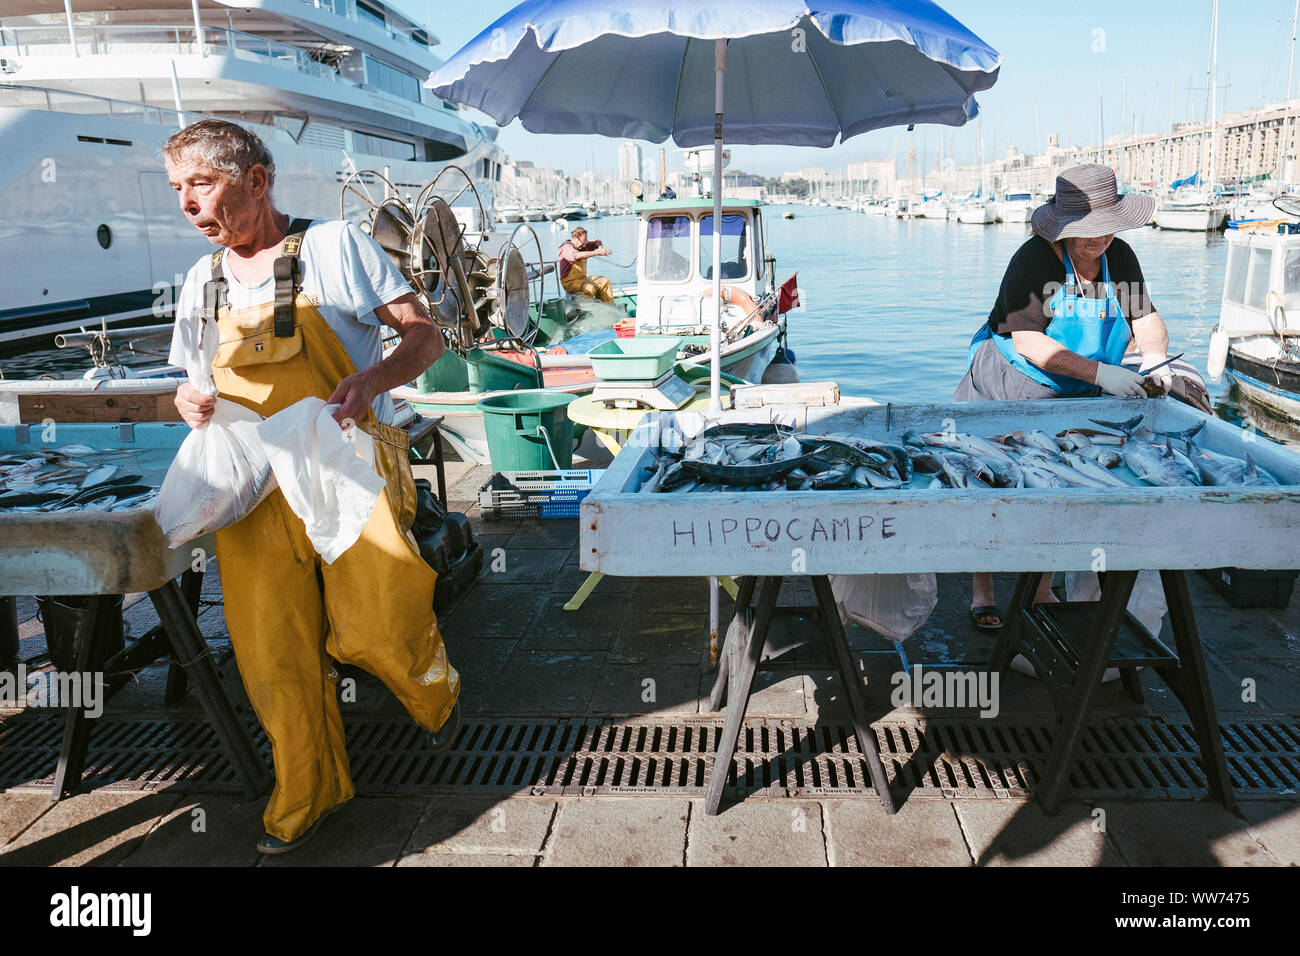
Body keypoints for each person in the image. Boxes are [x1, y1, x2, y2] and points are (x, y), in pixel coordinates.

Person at [164, 119, 460, 853]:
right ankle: (308, 790)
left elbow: (425, 336)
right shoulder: (201, 282)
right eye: (177, 189)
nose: (188, 204)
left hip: (345, 473)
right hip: (251, 497)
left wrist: (373, 378)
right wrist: (189, 402)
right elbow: (190, 384)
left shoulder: (333, 247)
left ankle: (436, 691)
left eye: (201, 184)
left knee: (375, 627)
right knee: (273, 653)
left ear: (257, 181)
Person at [953, 163, 1169, 631]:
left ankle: (1040, 582)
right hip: (1011, 379)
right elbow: (1030, 341)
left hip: (1081, 385)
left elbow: (1145, 318)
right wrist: (1104, 375)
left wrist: (1153, 357)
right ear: (1063, 227)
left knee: (1059, 480)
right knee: (989, 478)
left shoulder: (1121, 260)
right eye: (1087, 231)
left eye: (1105, 229)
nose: (1098, 240)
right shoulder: (1036, 261)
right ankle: (983, 588)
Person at [558, 226, 615, 302]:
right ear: (575, 239)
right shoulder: (567, 247)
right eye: (583, 241)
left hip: (582, 279)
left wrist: (600, 248)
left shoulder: (583, 245)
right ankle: (587, 311)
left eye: (586, 241)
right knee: (589, 289)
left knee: (604, 282)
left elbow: (597, 242)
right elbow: (576, 256)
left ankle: (609, 308)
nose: (585, 244)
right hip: (569, 283)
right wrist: (597, 252)